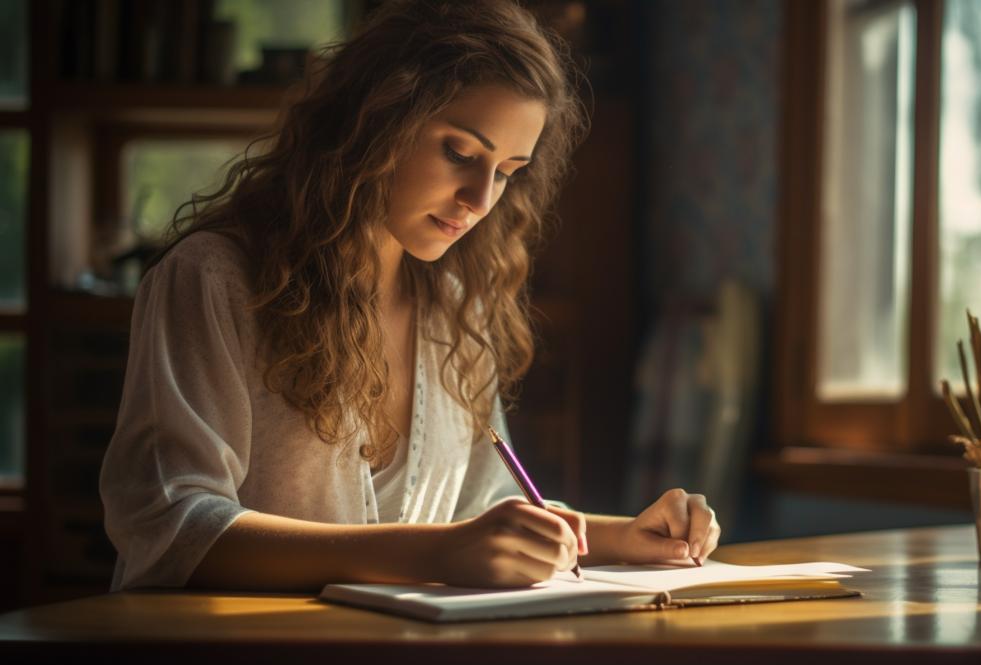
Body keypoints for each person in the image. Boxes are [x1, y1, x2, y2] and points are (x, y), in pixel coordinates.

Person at [99, 0, 720, 592]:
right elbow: (170, 523)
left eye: (506, 172)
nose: (480, 200)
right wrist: (434, 551)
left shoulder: (455, 304)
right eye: (460, 152)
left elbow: (485, 509)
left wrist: (624, 538)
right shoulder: (214, 280)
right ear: (375, 122)